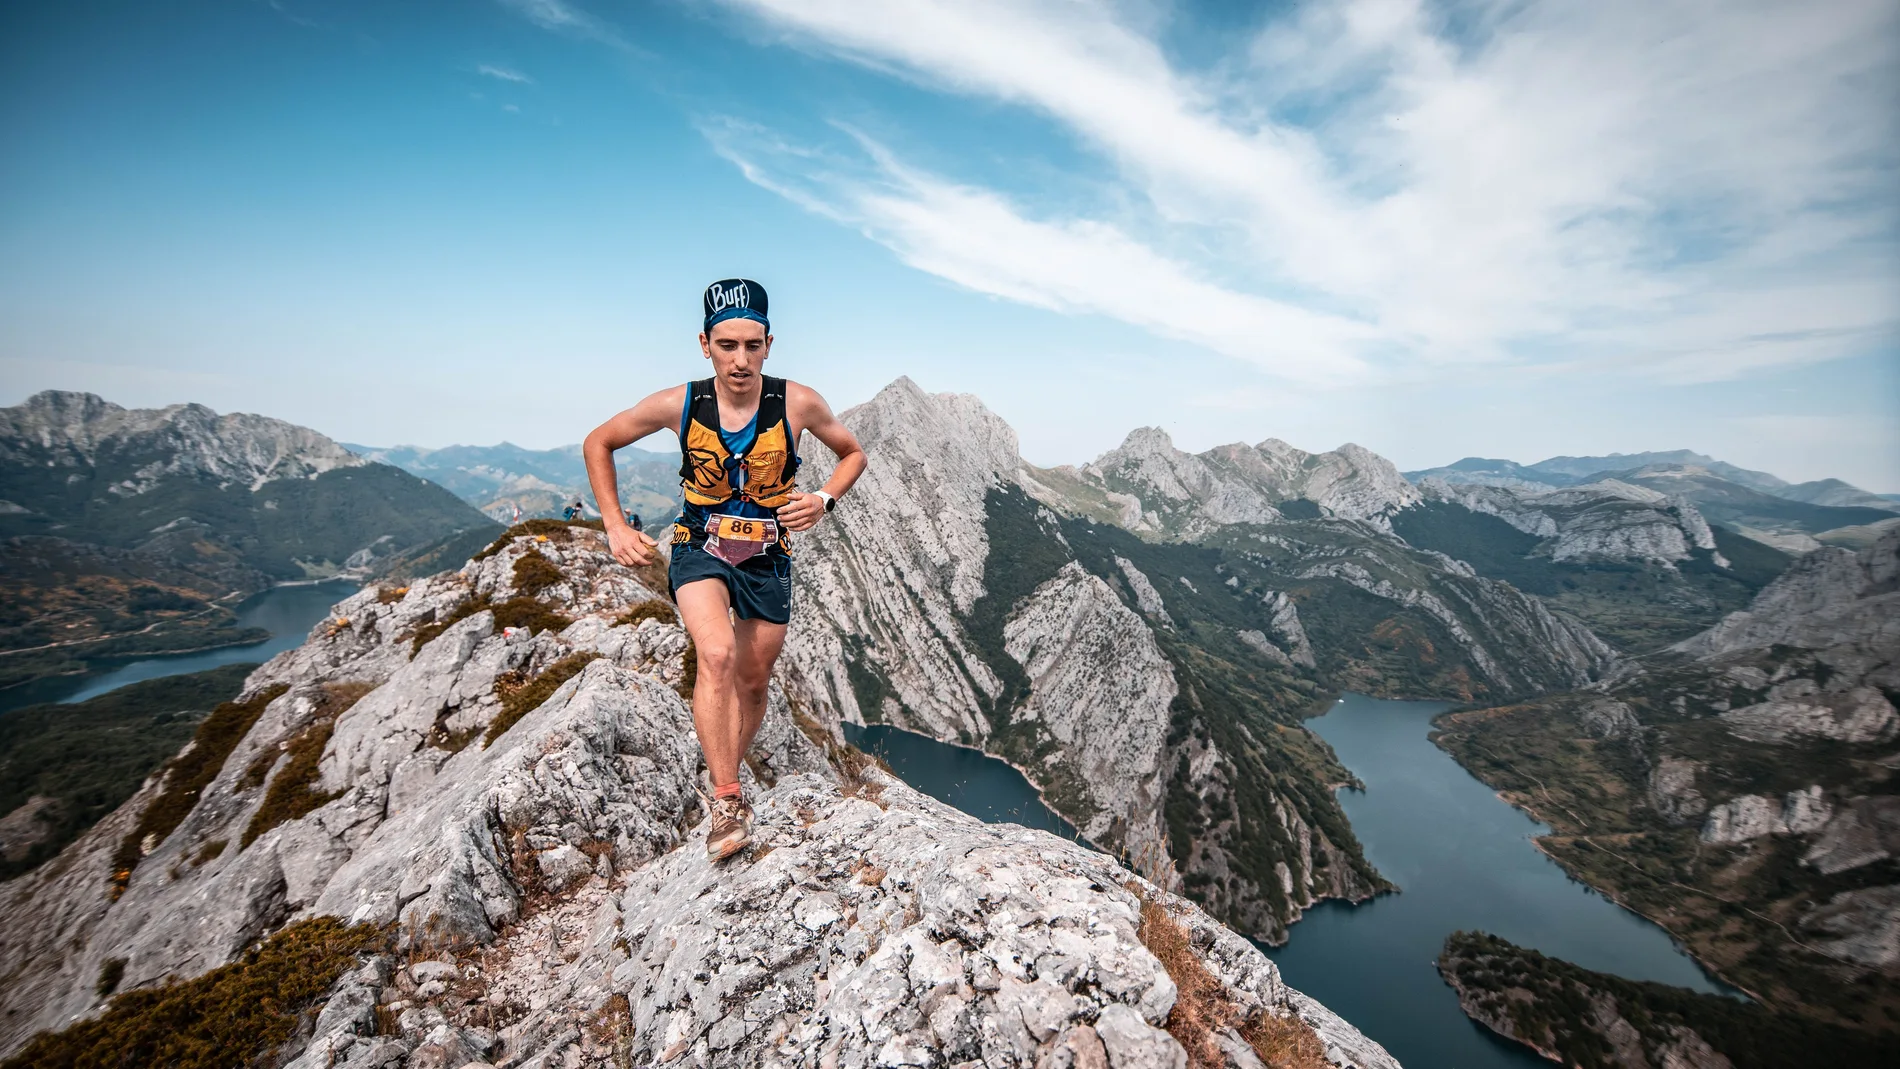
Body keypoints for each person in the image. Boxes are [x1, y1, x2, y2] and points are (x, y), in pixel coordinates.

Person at [582, 278, 866, 861]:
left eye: (752, 345)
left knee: (754, 681)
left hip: (768, 553)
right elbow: (598, 441)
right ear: (705, 343)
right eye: (727, 344)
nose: (740, 359)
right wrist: (613, 523)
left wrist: (824, 498)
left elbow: (852, 453)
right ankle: (728, 798)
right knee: (716, 654)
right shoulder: (679, 404)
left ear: (769, 344)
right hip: (699, 545)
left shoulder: (798, 402)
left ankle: (724, 770)